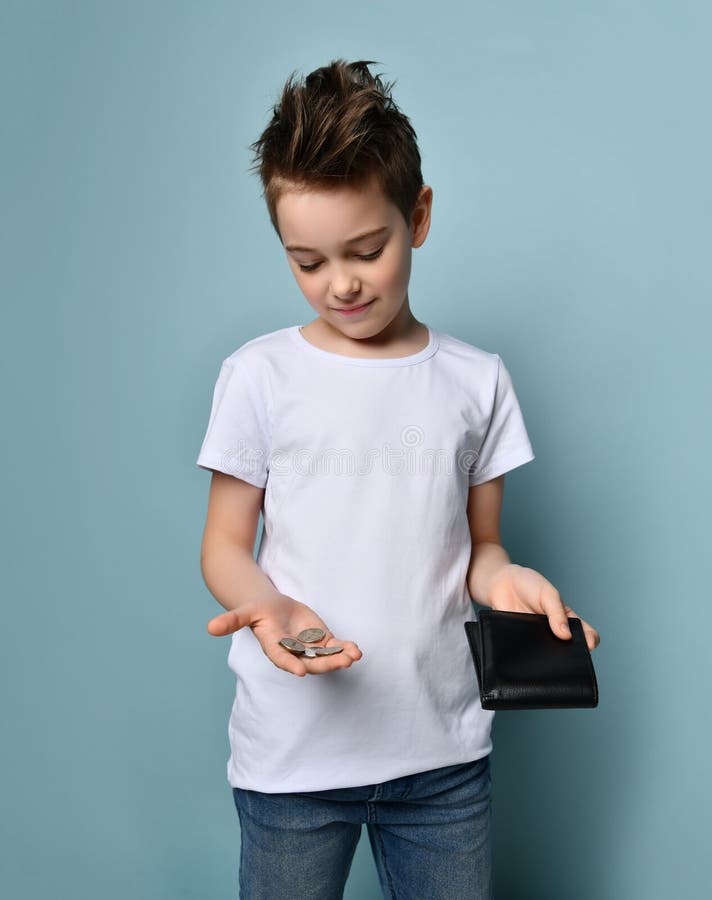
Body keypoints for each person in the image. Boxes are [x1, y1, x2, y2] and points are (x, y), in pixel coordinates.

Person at [195, 58, 600, 900]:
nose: (339, 283)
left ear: (416, 217)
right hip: (293, 760)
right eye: (306, 262)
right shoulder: (259, 375)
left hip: (444, 761)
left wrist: (510, 581)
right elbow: (227, 547)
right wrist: (269, 608)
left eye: (366, 251)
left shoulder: (477, 380)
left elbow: (480, 548)